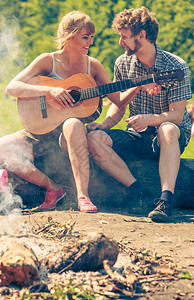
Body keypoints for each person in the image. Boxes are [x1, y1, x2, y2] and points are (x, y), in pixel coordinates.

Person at [0, 11, 142, 213]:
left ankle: (82, 196)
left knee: (73, 123)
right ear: (69, 37)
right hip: (37, 131)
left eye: (91, 37)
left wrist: (138, 86)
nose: (90, 42)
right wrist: (49, 90)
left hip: (67, 137)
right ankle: (53, 189)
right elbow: (12, 88)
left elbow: (118, 99)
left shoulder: (92, 66)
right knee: (2, 148)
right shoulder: (47, 61)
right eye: (86, 37)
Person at [87, 7, 192, 222]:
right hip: (137, 134)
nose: (120, 43)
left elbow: (177, 115)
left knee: (168, 128)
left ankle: (165, 201)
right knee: (94, 138)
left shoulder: (176, 65)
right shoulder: (122, 63)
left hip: (168, 135)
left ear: (141, 36)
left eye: (124, 37)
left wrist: (150, 119)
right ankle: (139, 193)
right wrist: (104, 125)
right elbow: (119, 105)